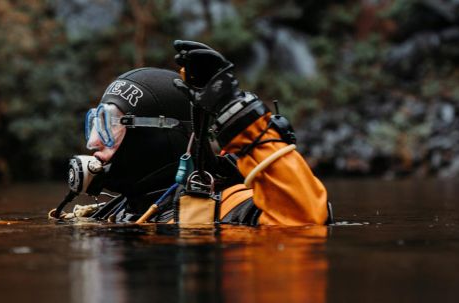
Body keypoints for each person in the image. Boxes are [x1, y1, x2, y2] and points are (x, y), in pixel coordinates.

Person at [54, 40, 332, 226]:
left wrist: (241, 118)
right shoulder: (117, 209)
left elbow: (304, 218)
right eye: (95, 123)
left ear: (158, 136)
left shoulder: (228, 207)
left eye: (110, 124)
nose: (92, 141)